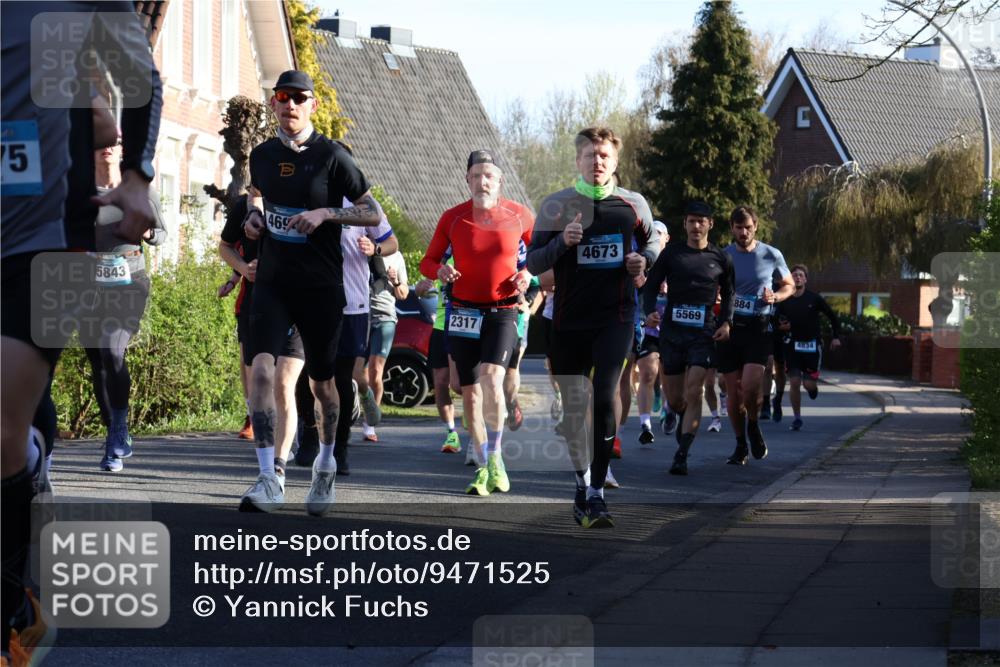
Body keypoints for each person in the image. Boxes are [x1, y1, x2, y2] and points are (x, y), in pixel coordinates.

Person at [2, 3, 162, 660]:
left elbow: (137, 75)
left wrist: (136, 177)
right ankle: (31, 458)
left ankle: (13, 613)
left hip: (43, 233)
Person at [240, 70, 381, 516]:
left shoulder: (333, 157)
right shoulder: (261, 155)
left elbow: (371, 213)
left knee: (323, 386)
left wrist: (326, 213)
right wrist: (255, 218)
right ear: (274, 104)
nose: (290, 105)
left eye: (299, 98)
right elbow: (257, 196)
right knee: (262, 372)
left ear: (312, 105)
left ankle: (324, 465)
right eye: (282, 97)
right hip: (274, 282)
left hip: (321, 287)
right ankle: (269, 476)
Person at [527, 127, 659, 528]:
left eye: (604, 156)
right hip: (568, 321)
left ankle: (597, 492)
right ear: (578, 161)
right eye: (590, 155)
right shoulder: (556, 206)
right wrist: (562, 244)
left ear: (615, 162)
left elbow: (653, 243)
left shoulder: (632, 205)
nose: (597, 162)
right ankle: (582, 483)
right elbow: (533, 264)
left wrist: (644, 261)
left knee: (604, 398)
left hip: (615, 318)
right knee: (574, 411)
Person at [419, 150, 534, 496]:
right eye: (476, 175)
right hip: (462, 312)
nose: (482, 181)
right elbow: (428, 261)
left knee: (492, 378)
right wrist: (439, 270)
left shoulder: (520, 215)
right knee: (467, 390)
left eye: (489, 176)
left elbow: (541, 254)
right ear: (467, 180)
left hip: (503, 309)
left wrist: (528, 274)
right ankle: (484, 466)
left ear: (499, 181)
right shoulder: (453, 218)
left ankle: (496, 456)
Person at [85, 131, 168, 472]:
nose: (106, 146)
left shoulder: (140, 190)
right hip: (85, 283)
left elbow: (161, 233)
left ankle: (118, 431)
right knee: (97, 366)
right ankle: (113, 431)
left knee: (112, 350)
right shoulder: (76, 192)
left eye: (113, 141)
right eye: (99, 141)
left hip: (129, 279)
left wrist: (147, 232)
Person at [219, 192, 307, 484]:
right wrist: (242, 272)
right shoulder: (245, 207)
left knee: (283, 384)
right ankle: (267, 462)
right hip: (257, 305)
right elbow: (227, 247)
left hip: (298, 304)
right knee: (257, 377)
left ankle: (278, 464)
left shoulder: (309, 198)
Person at [642, 201, 734, 476]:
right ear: (685, 224)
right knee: (677, 398)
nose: (696, 226)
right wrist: (649, 312)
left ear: (710, 224)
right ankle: (674, 411)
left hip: (703, 332)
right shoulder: (670, 254)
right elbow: (650, 286)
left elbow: (730, 293)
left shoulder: (720, 258)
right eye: (692, 221)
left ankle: (682, 453)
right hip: (672, 333)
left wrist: (726, 322)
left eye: (701, 221)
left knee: (694, 392)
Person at [717, 206, 794, 466]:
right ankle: (740, 444)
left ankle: (752, 424)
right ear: (732, 229)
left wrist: (776, 296)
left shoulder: (771, 254)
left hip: (758, 327)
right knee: (733, 394)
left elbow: (789, 285)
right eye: (738, 228)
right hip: (729, 328)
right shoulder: (723, 255)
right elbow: (713, 286)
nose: (743, 232)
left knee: (749, 386)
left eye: (748, 227)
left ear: (756, 227)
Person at [330, 193, 397, 469]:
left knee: (349, 376)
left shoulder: (362, 204)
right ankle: (311, 437)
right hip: (315, 301)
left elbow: (391, 243)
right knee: (314, 376)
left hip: (354, 304)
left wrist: (375, 248)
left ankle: (340, 446)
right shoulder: (307, 192)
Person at [774, 264, 842, 431]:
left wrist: (836, 337)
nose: (797, 277)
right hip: (792, 345)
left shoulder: (814, 298)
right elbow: (772, 318)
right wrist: (780, 326)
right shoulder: (784, 299)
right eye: (794, 275)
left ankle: (813, 388)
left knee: (808, 384)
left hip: (812, 345)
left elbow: (832, 317)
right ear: (790, 278)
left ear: (805, 279)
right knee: (795, 381)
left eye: (800, 275)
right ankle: (797, 418)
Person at [414, 272, 465, 455]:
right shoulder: (442, 259)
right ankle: (451, 433)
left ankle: (475, 420)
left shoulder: (467, 256)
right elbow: (420, 290)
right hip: (440, 327)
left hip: (463, 325)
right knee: (440, 383)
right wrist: (421, 288)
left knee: (459, 385)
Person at [366, 238, 409, 443]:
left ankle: (369, 424)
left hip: (385, 317)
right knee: (353, 371)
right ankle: (353, 410)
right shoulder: (361, 249)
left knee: (375, 371)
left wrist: (396, 281)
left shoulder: (396, 256)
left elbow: (403, 294)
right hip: (359, 314)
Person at [634, 221, 670, 446]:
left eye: (660, 234)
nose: (656, 238)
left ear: (667, 238)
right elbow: (636, 284)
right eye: (652, 234)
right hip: (647, 325)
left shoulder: (676, 260)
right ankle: (645, 425)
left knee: (670, 375)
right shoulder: (642, 259)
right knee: (647, 372)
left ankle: (668, 408)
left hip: (673, 327)